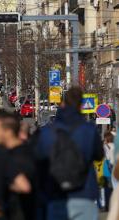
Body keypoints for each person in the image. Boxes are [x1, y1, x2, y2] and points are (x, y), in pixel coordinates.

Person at [34, 87, 104, 220]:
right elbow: (99, 155)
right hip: (84, 193)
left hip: (54, 195)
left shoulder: (47, 132)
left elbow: (37, 161)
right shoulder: (89, 130)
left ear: (63, 103)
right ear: (82, 105)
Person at [0, 111, 36, 220]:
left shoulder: (17, 157)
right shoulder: (28, 150)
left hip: (19, 212)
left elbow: (24, 186)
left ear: (8, 132)